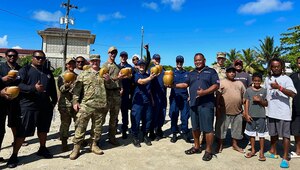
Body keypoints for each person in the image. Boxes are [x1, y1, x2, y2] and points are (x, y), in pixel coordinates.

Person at [7, 50, 57, 168]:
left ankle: (42, 148)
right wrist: (33, 88)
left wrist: (53, 102)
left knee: (43, 129)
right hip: (28, 105)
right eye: (38, 57)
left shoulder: (47, 71)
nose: (40, 60)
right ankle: (14, 155)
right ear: (32, 58)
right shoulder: (25, 70)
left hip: (44, 106)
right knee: (22, 131)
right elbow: (18, 85)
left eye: (42, 58)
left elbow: (52, 89)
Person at [171, 53, 219, 161]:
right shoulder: (191, 73)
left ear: (204, 60)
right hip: (193, 104)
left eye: (199, 60)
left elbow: (216, 85)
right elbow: (185, 84)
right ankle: (197, 147)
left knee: (208, 129)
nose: (197, 62)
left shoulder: (211, 71)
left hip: (206, 104)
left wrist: (204, 92)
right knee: (195, 128)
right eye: (195, 60)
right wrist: (173, 85)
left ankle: (208, 150)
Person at [70, 54, 108, 160]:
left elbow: (111, 87)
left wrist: (108, 80)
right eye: (93, 61)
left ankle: (94, 145)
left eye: (97, 61)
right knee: (80, 126)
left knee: (97, 128)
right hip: (86, 105)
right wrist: (75, 102)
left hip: (100, 105)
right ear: (90, 62)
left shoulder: (104, 73)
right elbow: (77, 90)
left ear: (100, 62)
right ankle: (76, 147)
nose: (95, 62)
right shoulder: (83, 74)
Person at [263, 58, 296, 168]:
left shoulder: (286, 79)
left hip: (283, 113)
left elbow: (293, 94)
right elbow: (264, 92)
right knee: (273, 134)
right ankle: (273, 151)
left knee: (285, 136)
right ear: (271, 67)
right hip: (271, 112)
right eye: (273, 66)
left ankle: (285, 157)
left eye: (278, 66)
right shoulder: (268, 79)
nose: (276, 68)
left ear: (282, 67)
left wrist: (279, 87)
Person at [215, 66, 246, 154]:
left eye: (233, 72)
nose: (232, 73)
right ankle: (220, 144)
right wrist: (217, 109)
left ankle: (235, 144)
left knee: (237, 129)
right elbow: (217, 96)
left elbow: (245, 96)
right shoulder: (222, 83)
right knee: (221, 129)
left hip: (238, 111)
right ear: (226, 73)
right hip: (224, 111)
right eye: (229, 72)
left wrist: (245, 110)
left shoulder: (239, 83)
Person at [131, 59, 156, 147]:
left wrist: (152, 100)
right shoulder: (135, 75)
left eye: (143, 65)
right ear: (137, 66)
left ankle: (145, 136)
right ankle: (135, 137)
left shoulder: (148, 75)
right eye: (140, 65)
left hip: (148, 101)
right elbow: (141, 82)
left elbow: (150, 90)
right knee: (136, 120)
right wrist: (150, 78)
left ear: (145, 66)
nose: (141, 66)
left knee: (147, 119)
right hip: (138, 102)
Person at [243, 73, 268, 161]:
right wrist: (246, 114)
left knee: (261, 135)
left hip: (261, 116)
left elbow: (266, 103)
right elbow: (246, 102)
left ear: (261, 81)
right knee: (251, 134)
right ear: (253, 81)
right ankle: (253, 150)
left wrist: (260, 100)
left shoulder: (264, 90)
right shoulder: (248, 90)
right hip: (251, 116)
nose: (257, 82)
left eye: (259, 81)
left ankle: (261, 152)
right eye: (255, 81)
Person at [0, 49, 21, 148]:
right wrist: (2, 79)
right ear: (6, 56)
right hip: (1, 100)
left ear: (17, 57)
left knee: (14, 122)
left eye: (14, 56)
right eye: (10, 55)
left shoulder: (20, 69)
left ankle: (15, 140)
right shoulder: (1, 67)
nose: (12, 57)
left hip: (15, 100)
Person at [102, 46, 123, 145]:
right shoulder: (105, 66)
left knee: (114, 117)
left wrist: (121, 87)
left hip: (116, 94)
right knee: (101, 117)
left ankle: (112, 137)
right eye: (111, 52)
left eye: (115, 52)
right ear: (108, 53)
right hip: (107, 93)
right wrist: (116, 78)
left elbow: (120, 79)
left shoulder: (117, 66)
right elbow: (104, 80)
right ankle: (96, 139)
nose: (113, 54)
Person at [169, 55, 191, 143]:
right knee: (174, 115)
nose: (179, 63)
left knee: (185, 116)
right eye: (178, 61)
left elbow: (187, 85)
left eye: (181, 62)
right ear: (176, 62)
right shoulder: (171, 72)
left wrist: (174, 85)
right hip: (174, 97)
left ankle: (185, 132)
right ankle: (174, 133)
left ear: (183, 62)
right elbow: (166, 82)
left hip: (184, 98)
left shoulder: (187, 73)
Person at [57, 58, 77, 152]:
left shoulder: (77, 76)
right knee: (65, 124)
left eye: (73, 64)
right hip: (65, 104)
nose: (71, 66)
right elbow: (61, 89)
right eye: (69, 64)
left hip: (76, 103)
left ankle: (77, 141)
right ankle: (64, 143)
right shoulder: (62, 76)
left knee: (78, 123)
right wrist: (67, 85)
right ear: (66, 65)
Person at [148, 53, 167, 141]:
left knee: (162, 114)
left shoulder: (163, 70)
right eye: (155, 59)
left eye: (158, 59)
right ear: (153, 59)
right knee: (154, 115)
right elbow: (149, 86)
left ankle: (159, 130)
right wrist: (151, 98)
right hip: (155, 96)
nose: (157, 60)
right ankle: (151, 132)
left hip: (163, 96)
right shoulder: (151, 70)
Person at [118, 51, 133, 139]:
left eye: (125, 56)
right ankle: (114, 129)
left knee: (124, 112)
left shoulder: (130, 68)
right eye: (122, 56)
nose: (123, 57)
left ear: (127, 57)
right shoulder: (117, 66)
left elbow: (133, 80)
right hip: (116, 93)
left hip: (126, 93)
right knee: (114, 112)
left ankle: (124, 129)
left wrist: (129, 77)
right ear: (120, 57)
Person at [290, 56, 300, 158]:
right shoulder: (293, 76)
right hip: (296, 108)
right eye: (299, 63)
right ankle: (298, 150)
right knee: (296, 131)